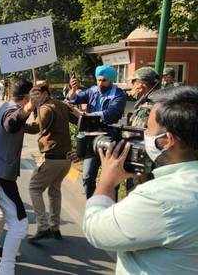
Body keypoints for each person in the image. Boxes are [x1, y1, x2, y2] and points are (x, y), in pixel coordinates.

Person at [83, 86, 198, 274]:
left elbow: (96, 230)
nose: (144, 134)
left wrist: (106, 182)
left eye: (147, 129)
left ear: (167, 140)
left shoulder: (160, 198)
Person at [0, 78, 34, 275]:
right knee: (20, 225)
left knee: (4, 211)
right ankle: (6, 270)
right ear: (27, 97)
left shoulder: (4, 105)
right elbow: (12, 123)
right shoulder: (12, 111)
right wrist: (28, 108)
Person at [67, 65, 127, 198]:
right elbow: (74, 99)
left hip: (110, 138)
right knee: (87, 177)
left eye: (104, 80)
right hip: (92, 138)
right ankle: (91, 204)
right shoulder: (92, 91)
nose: (100, 83)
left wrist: (85, 115)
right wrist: (73, 90)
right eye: (98, 80)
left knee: (111, 180)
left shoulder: (118, 94)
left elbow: (111, 114)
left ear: (111, 80)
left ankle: (111, 206)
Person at [26, 81, 72, 242]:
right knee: (54, 190)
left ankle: (43, 226)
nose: (34, 97)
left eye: (37, 94)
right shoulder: (60, 104)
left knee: (34, 188)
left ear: (45, 94)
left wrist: (18, 123)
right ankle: (55, 227)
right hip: (66, 158)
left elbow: (34, 128)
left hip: (52, 157)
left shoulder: (45, 108)